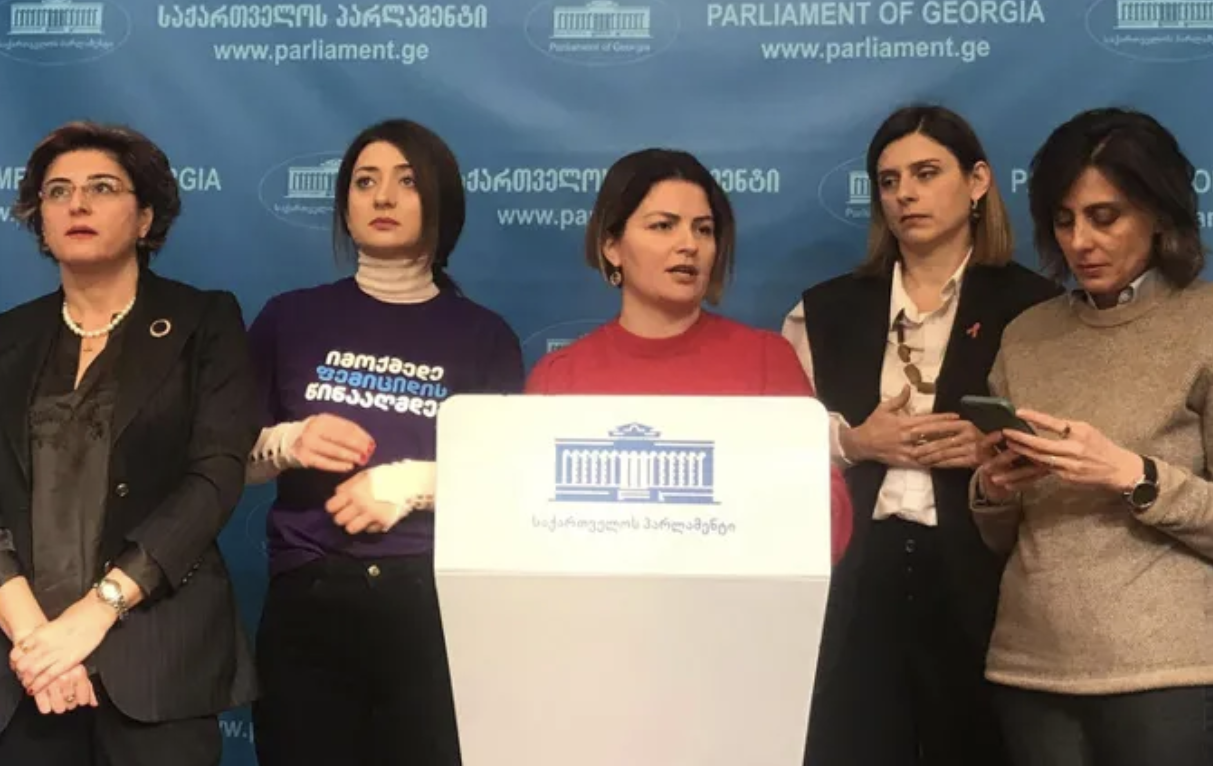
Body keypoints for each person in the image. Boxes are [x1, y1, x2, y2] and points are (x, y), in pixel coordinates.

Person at [784, 105, 1060, 766]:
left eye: (926, 173)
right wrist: (856, 443)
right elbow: (780, 438)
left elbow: (1069, 436)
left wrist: (994, 448)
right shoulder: (823, 308)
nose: (904, 193)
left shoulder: (1038, 308)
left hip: (986, 578)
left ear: (977, 182)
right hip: (855, 571)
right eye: (889, 181)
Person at [246, 118, 525, 766]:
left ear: (441, 201)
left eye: (407, 182)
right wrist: (290, 441)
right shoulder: (290, 317)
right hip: (311, 598)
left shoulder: (484, 335)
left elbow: (506, 479)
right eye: (365, 182)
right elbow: (221, 463)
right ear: (344, 205)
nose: (383, 197)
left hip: (432, 603)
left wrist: (409, 485)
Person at [0, 122, 258, 764]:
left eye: (101, 188)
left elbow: (214, 478)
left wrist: (97, 611)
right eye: (58, 191)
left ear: (145, 218)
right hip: (24, 667)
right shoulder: (8, 338)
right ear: (40, 220)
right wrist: (38, 640)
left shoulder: (204, 322)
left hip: (153, 660)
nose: (77, 204)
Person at [971, 107, 1213, 766]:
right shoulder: (1027, 335)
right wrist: (993, 487)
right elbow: (1000, 534)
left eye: (1105, 217)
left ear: (1158, 214)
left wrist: (1133, 474)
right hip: (1028, 668)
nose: (1080, 241)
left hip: (1167, 673)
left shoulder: (1202, 324)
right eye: (1064, 220)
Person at [525, 147, 853, 563]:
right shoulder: (559, 377)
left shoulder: (766, 359)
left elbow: (827, 519)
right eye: (663, 226)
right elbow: (530, 524)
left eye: (704, 229)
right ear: (612, 246)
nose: (689, 245)